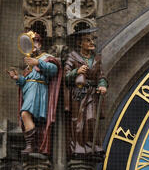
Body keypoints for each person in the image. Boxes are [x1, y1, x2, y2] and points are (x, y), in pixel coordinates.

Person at [6, 31, 62, 157]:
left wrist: (37, 63)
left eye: (35, 42)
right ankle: (34, 144)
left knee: (25, 113)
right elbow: (26, 81)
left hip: (39, 91)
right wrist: (17, 78)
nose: (33, 45)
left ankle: (31, 145)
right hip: (29, 91)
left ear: (40, 44)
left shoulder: (45, 57)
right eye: (30, 42)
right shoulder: (28, 63)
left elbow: (54, 70)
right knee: (27, 116)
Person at [64, 27, 108, 159]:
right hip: (78, 93)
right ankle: (79, 147)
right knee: (79, 120)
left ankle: (93, 146)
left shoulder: (96, 59)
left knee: (91, 119)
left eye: (92, 40)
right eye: (87, 40)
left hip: (92, 93)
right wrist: (76, 72)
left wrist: (102, 85)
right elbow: (65, 76)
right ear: (79, 43)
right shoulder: (73, 57)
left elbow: (101, 76)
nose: (91, 42)